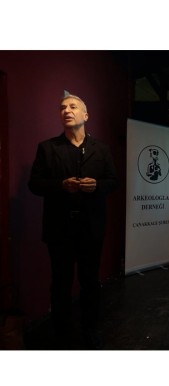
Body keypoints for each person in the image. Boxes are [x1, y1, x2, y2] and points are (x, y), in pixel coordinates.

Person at [28, 94, 118, 349]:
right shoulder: (47, 148)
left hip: (92, 227)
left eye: (72, 106)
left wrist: (97, 185)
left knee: (90, 282)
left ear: (85, 115)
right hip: (59, 228)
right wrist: (60, 185)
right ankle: (62, 333)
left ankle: (90, 330)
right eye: (62, 108)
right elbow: (34, 184)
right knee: (60, 283)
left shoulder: (101, 149)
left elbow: (113, 182)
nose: (66, 110)